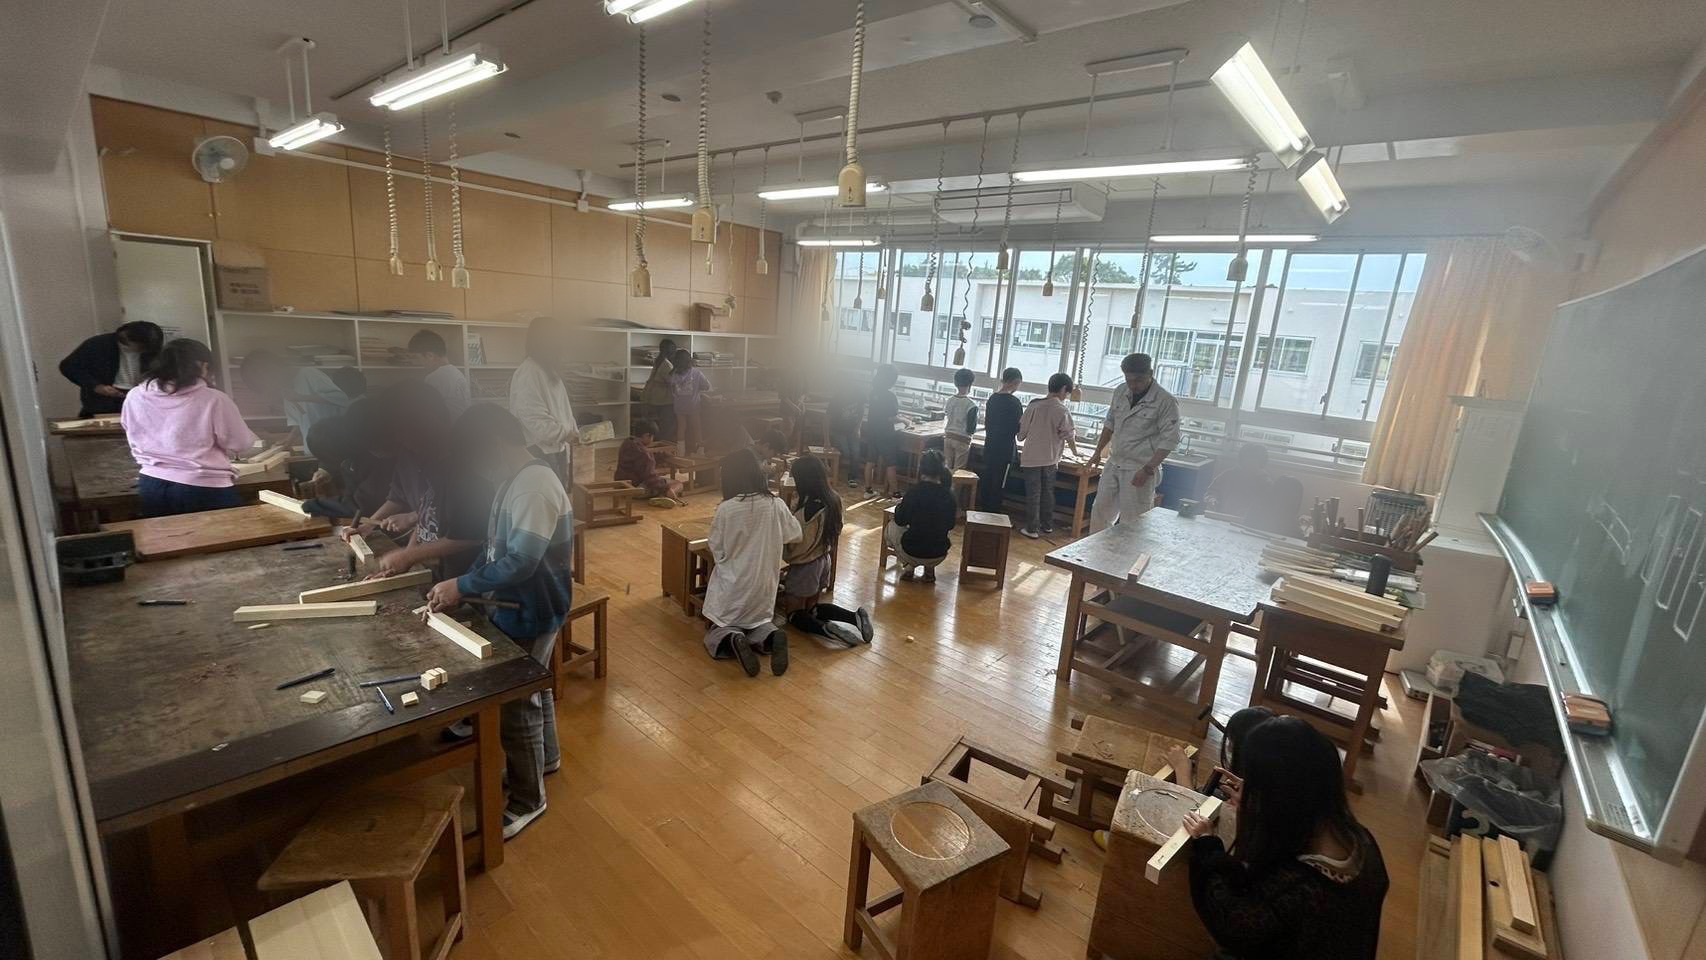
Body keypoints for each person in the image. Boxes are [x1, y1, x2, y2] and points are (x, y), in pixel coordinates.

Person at [424, 402, 573, 840]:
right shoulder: (514, 479)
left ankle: (529, 799)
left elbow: (522, 562)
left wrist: (462, 585)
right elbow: (496, 551)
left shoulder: (532, 486)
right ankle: (545, 761)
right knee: (534, 686)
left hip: (532, 608)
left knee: (516, 704)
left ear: (491, 444)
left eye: (473, 455)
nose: (474, 467)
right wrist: (462, 585)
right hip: (524, 605)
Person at [1184, 716, 1389, 960]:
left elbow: (1232, 925)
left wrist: (1207, 846)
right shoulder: (1359, 839)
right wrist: (1258, 802)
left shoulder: (1301, 887)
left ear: (1281, 798)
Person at [353, 382, 490, 581]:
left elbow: (469, 537)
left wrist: (409, 556)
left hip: (464, 578)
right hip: (438, 573)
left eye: (404, 432)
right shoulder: (429, 462)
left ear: (427, 421)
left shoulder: (466, 469)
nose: (402, 441)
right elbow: (426, 518)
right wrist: (407, 558)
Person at [119, 338, 257, 517]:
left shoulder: (135, 395)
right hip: (204, 487)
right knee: (228, 533)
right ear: (203, 366)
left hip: (152, 484)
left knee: (168, 535)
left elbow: (130, 428)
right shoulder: (214, 399)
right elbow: (240, 443)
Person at [701, 449, 801, 677]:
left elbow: (717, 548)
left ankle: (733, 638)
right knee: (758, 623)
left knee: (718, 629)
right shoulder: (775, 504)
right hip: (765, 585)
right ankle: (772, 636)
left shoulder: (727, 509)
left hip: (735, 585)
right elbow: (795, 534)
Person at [782, 454, 873, 647]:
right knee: (812, 608)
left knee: (793, 614)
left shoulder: (806, 510)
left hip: (805, 566)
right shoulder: (833, 499)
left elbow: (795, 542)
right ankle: (853, 617)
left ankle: (824, 629)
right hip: (824, 560)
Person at [1088, 353, 1180, 531]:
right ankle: (1097, 549)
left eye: (1138, 380)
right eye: (1128, 380)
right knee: (1100, 514)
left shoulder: (1165, 401)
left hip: (1140, 467)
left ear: (1150, 373)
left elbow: (1170, 439)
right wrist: (1097, 452)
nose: (1133, 385)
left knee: (1133, 521)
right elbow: (1110, 424)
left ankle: (1128, 551)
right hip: (1114, 462)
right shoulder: (1121, 391)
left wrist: (1148, 469)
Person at [239, 349, 359, 458]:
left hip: (336, 449)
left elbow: (341, 398)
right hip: (313, 451)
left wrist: (302, 397)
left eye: (266, 383)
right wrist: (290, 438)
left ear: (272, 371)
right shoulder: (285, 389)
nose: (271, 389)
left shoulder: (308, 374)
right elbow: (299, 420)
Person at [508, 316, 579, 484]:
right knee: (548, 494)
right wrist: (564, 434)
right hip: (539, 450)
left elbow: (563, 410)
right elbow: (533, 417)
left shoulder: (548, 370)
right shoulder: (529, 372)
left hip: (555, 446)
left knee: (559, 493)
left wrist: (573, 432)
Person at [1016, 373, 1081, 539]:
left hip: (1031, 457)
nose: (1067, 396)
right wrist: (1075, 452)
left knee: (1034, 493)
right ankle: (1047, 525)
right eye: (1067, 393)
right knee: (1048, 492)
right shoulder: (1062, 410)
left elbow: (1021, 434)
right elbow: (1069, 435)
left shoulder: (1033, 406)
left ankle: (1032, 529)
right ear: (1063, 389)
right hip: (1051, 458)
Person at [59, 320, 163, 417]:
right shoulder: (98, 344)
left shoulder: (152, 350)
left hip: (140, 396)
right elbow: (68, 367)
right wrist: (96, 386)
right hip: (104, 400)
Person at [888, 449, 957, 583]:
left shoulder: (914, 492)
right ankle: (929, 569)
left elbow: (900, 520)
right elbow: (950, 525)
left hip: (912, 551)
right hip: (939, 553)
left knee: (891, 526)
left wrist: (900, 506)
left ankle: (909, 566)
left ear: (921, 469)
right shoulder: (949, 495)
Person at [978, 367, 1024, 511]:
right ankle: (993, 514)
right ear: (1015, 382)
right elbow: (1018, 429)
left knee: (987, 479)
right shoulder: (1015, 403)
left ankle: (983, 512)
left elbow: (988, 424)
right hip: (1005, 451)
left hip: (990, 446)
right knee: (999, 484)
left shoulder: (992, 399)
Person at [614, 418, 684, 504]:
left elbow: (641, 460)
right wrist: (667, 489)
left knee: (661, 481)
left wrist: (662, 455)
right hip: (635, 489)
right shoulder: (643, 454)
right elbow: (650, 478)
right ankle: (665, 496)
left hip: (621, 486)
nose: (652, 439)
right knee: (678, 484)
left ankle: (662, 495)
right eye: (652, 437)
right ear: (646, 435)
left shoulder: (627, 442)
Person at [864, 365, 905, 498]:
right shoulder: (890, 396)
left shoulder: (873, 392)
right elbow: (891, 417)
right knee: (891, 464)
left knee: (870, 461)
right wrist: (906, 421)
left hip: (872, 431)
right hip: (885, 434)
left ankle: (868, 491)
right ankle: (896, 494)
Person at [409, 329, 470, 418]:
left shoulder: (435, 377)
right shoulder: (457, 373)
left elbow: (426, 411)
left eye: (417, 358)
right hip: (461, 424)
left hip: (446, 424)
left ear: (430, 355)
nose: (418, 362)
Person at [670, 349, 713, 455]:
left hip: (679, 406)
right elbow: (707, 386)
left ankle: (680, 452)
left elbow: (672, 389)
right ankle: (700, 451)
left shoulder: (673, 374)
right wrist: (698, 388)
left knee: (681, 428)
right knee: (697, 428)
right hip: (693, 406)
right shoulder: (696, 373)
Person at [640, 337, 678, 442]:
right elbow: (672, 381)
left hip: (653, 397)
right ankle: (664, 444)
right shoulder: (666, 365)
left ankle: (659, 442)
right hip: (662, 400)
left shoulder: (659, 361)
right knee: (668, 424)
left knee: (660, 424)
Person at [942, 368, 979, 471]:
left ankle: (945, 482)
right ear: (970, 384)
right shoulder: (971, 405)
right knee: (958, 471)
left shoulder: (949, 400)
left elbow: (947, 415)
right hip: (962, 440)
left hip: (948, 436)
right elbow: (971, 429)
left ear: (955, 383)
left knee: (946, 468)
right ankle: (954, 483)